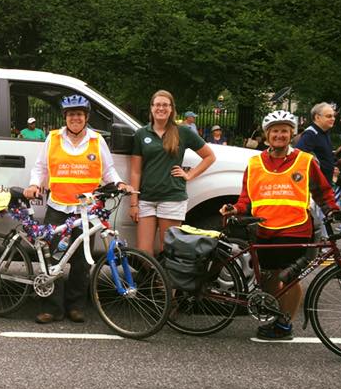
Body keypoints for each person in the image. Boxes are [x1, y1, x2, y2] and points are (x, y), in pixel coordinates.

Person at [220, 110, 338, 340]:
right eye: (275, 131)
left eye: (284, 131)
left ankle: (285, 325)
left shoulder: (304, 161)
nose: (280, 135)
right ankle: (274, 316)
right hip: (263, 229)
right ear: (267, 135)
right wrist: (235, 208)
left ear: (291, 134)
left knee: (288, 277)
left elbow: (323, 192)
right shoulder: (254, 164)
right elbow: (247, 198)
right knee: (268, 278)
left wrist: (333, 211)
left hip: (295, 228)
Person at [24, 95, 133, 324]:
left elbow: (108, 171)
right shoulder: (53, 138)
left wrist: (120, 183)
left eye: (80, 114)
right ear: (66, 117)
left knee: (82, 261)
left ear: (86, 118)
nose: (75, 118)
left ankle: (75, 306)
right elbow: (40, 167)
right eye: (71, 114)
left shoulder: (96, 140)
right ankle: (52, 308)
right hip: (57, 207)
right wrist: (34, 183)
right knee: (52, 258)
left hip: (86, 211)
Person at [129, 90, 216, 254]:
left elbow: (209, 156)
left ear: (171, 109)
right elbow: (135, 171)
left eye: (165, 105)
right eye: (157, 105)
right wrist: (133, 202)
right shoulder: (141, 134)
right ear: (151, 108)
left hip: (172, 197)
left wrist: (189, 175)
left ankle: (163, 281)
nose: (161, 108)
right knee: (143, 251)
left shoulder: (182, 132)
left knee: (168, 249)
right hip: (146, 198)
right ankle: (152, 279)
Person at [294, 102, 339, 184]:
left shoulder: (324, 132)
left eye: (333, 116)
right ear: (317, 117)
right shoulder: (310, 134)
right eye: (329, 116)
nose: (333, 119)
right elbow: (298, 155)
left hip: (325, 182)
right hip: (316, 186)